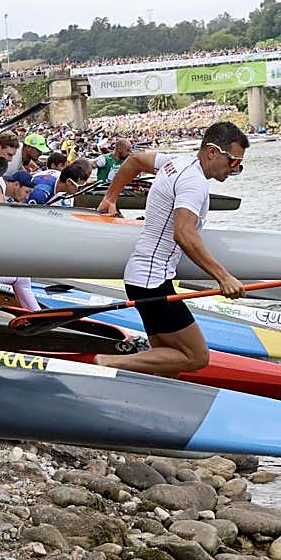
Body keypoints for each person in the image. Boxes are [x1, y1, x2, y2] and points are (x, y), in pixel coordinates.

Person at [94, 121, 249, 376]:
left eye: (239, 165)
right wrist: (224, 277)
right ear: (212, 152)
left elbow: (133, 161)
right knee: (196, 356)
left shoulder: (176, 162)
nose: (234, 169)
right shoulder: (194, 183)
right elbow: (184, 233)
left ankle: (157, 404)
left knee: (168, 360)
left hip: (142, 278)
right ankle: (108, 363)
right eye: (232, 162)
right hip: (153, 283)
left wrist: (110, 197)